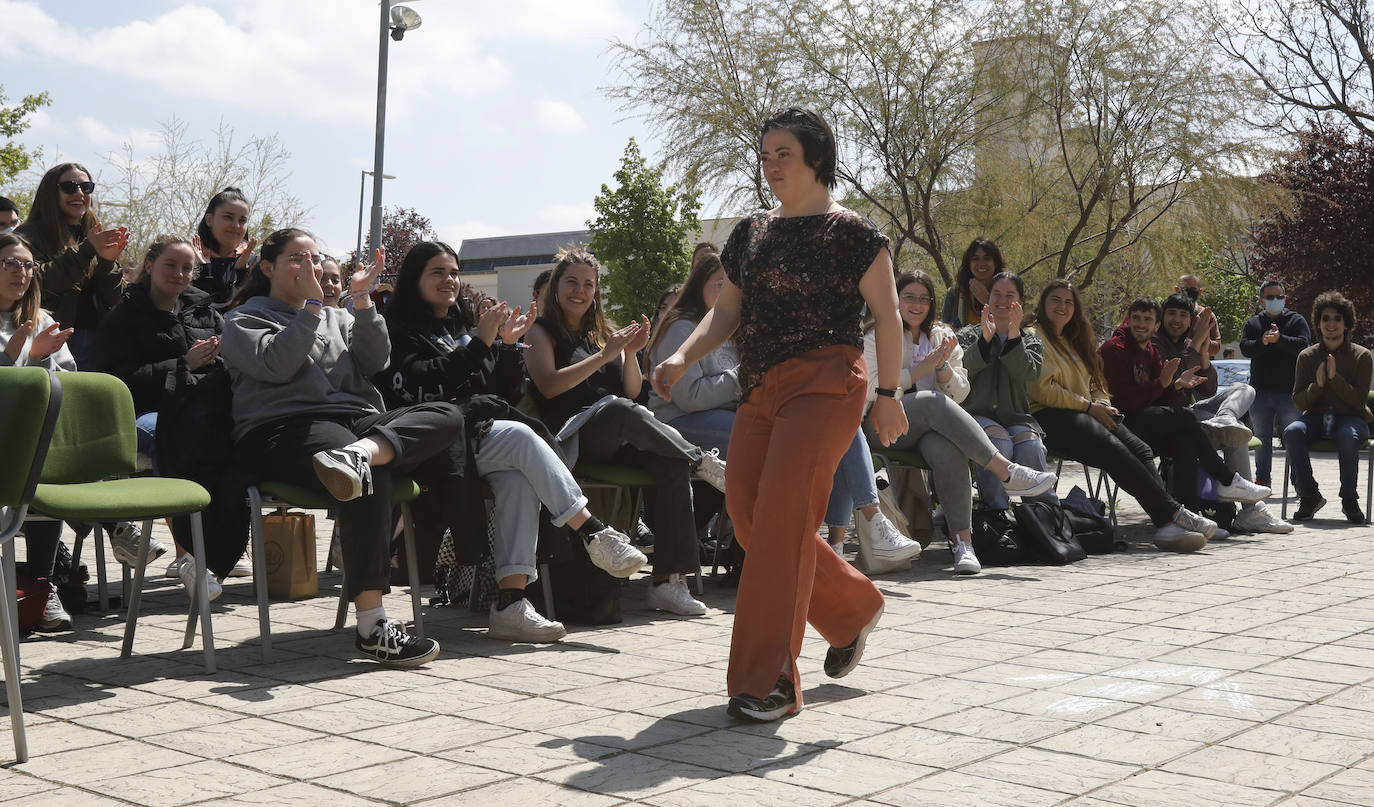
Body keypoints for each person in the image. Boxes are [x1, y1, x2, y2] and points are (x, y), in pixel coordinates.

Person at [653, 107, 906, 722]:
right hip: (761, 389)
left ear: (818, 158)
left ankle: (767, 682)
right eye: (765, 154)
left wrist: (890, 393)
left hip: (826, 384)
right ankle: (850, 608)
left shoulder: (854, 235)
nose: (770, 164)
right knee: (747, 515)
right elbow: (727, 312)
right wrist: (682, 356)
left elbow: (891, 316)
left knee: (781, 525)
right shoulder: (750, 234)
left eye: (783, 153)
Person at [380, 240, 645, 642]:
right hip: (428, 444)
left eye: (454, 272)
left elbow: (501, 392)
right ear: (414, 278)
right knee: (521, 438)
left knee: (519, 478)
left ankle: (510, 603)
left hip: (476, 437)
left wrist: (504, 348)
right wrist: (484, 345)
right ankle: (592, 531)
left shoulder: (462, 328)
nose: (449, 280)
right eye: (438, 272)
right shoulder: (396, 329)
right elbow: (423, 386)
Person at [221, 228, 455, 667]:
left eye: (315, 257)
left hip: (353, 425)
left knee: (449, 416)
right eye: (296, 259)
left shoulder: (338, 316)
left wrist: (362, 301)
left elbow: (376, 362)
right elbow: (277, 364)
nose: (309, 266)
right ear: (267, 269)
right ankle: (372, 626)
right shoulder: (245, 320)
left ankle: (362, 452)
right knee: (370, 476)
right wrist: (311, 308)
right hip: (283, 427)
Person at [526, 248, 723, 618]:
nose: (580, 291)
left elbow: (633, 391)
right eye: (572, 282)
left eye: (589, 284)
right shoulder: (540, 331)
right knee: (617, 409)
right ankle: (700, 460)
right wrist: (603, 357)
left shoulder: (602, 333)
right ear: (556, 286)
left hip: (615, 433)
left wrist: (630, 354)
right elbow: (549, 386)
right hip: (569, 438)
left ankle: (668, 581)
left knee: (668, 462)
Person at [864, 271, 1056, 573]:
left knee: (947, 450)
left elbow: (961, 392)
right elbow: (870, 387)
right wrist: (920, 370)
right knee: (930, 401)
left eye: (924, 299)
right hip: (882, 426)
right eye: (909, 297)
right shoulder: (876, 336)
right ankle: (1005, 470)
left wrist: (942, 371)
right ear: (895, 299)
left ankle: (962, 543)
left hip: (927, 429)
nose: (917, 304)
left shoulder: (942, 336)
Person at [1029, 280, 1217, 551]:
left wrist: (1102, 404)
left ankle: (1165, 523)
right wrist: (1089, 407)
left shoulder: (1076, 337)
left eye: (1068, 301)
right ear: (1043, 304)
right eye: (1055, 300)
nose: (1062, 306)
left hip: (1089, 411)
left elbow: (1097, 382)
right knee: (1112, 447)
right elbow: (1042, 389)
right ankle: (1173, 514)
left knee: (1139, 448)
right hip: (1050, 416)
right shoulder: (1034, 335)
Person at [95, 234, 232, 589]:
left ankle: (225, 545)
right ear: (150, 265)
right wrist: (181, 363)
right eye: (170, 265)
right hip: (140, 416)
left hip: (199, 408)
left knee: (230, 436)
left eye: (188, 267)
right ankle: (189, 556)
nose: (179, 274)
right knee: (175, 436)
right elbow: (113, 381)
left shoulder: (205, 313)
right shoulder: (123, 317)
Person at [1100, 297, 1270, 517]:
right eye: (1137, 318)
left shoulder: (1150, 349)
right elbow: (1126, 400)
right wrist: (1173, 378)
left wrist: (1197, 358)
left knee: (1238, 406)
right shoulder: (1121, 348)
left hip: (1169, 415)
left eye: (1147, 319)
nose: (1142, 324)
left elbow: (1208, 389)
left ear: (1155, 324)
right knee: (1188, 421)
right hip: (1131, 421)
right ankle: (1229, 483)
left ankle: (1192, 514)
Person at [1154, 293, 1292, 534]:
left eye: (1183, 315)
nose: (1177, 320)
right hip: (1170, 418)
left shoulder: (1191, 343)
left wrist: (1203, 353)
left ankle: (1226, 417)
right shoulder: (1155, 343)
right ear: (1162, 317)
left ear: (1190, 320)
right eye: (1172, 314)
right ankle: (1251, 511)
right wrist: (1195, 345)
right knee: (1233, 432)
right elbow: (1172, 385)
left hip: (1194, 414)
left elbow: (1206, 389)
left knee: (1244, 390)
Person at [0, 231, 76, 630]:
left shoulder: (40, 319)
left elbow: (70, 380)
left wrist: (38, 360)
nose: (22, 272)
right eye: (11, 263)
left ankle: (42, 589)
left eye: (28, 265)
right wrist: (14, 359)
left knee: (46, 461)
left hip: (40, 435)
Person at [955, 272, 1056, 513]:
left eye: (1010, 295)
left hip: (1016, 418)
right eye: (996, 294)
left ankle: (1044, 516)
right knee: (998, 442)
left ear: (1020, 302)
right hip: (975, 415)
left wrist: (1012, 336)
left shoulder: (1030, 341)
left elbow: (1028, 374)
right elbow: (962, 369)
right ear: (987, 299)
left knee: (1031, 448)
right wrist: (985, 342)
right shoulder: (968, 335)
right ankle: (996, 512)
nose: (1002, 301)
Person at [14, 162, 127, 368]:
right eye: (69, 187)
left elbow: (115, 298)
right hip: (54, 339)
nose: (79, 193)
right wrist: (86, 250)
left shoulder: (94, 234)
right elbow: (34, 282)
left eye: (86, 187)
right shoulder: (28, 235)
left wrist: (107, 262)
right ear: (51, 192)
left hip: (100, 340)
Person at [1285, 291, 1373, 523]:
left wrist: (1335, 379)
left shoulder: (1362, 356)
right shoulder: (1306, 356)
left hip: (1351, 417)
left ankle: (1349, 499)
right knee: (1292, 431)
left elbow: (1358, 400)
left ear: (1346, 324)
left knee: (1347, 435)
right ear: (1318, 323)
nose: (1331, 324)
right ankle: (1310, 495)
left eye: (1336, 318)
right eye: (1325, 318)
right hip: (1315, 417)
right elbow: (1299, 401)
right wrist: (1319, 384)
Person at [1241, 280, 1310, 486]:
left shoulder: (1296, 320)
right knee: (1262, 439)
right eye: (1270, 297)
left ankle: (1299, 483)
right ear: (1261, 300)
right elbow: (1246, 348)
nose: (1275, 301)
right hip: (1260, 393)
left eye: (1279, 297)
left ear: (1285, 298)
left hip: (1290, 393)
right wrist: (1262, 342)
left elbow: (1303, 345)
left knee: (1294, 439)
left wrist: (1279, 339)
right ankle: (1263, 480)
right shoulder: (1253, 324)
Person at [191, 187, 256, 311]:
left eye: (242, 220)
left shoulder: (255, 263)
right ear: (209, 219)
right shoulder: (187, 258)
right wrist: (204, 271)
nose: (236, 225)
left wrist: (242, 273)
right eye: (228, 217)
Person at [941, 237, 1004, 328]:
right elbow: (945, 330)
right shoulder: (955, 294)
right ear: (969, 264)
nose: (981, 263)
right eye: (975, 259)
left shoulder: (1007, 293)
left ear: (996, 263)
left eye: (987, 258)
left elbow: (1010, 328)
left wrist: (988, 301)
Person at [1175, 273, 1221, 357]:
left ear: (1200, 292)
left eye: (1192, 289)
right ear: (1177, 290)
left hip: (1198, 366)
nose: (1188, 292)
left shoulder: (1206, 315)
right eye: (1184, 289)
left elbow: (1216, 349)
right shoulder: (1165, 313)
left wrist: (1202, 336)